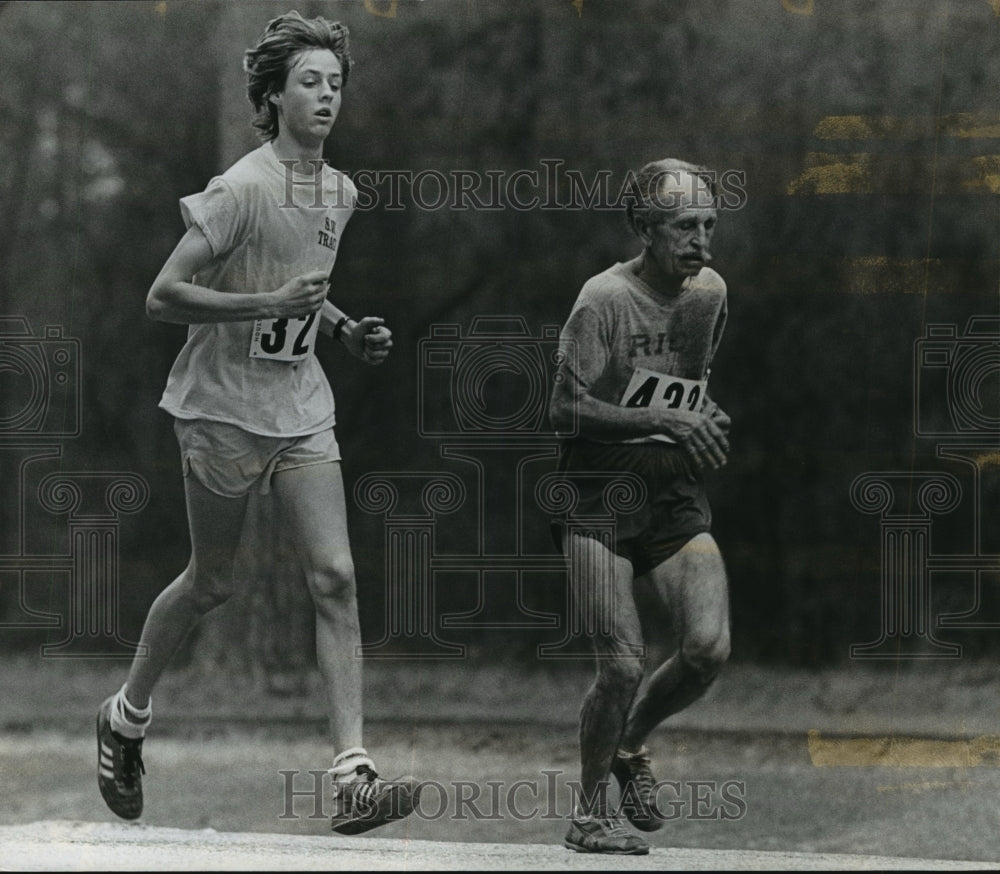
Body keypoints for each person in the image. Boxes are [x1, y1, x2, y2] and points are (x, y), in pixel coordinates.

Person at [96, 11, 419, 836]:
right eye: (308, 82)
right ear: (273, 97)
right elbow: (162, 295)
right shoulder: (240, 188)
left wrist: (343, 330)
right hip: (219, 412)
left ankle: (352, 775)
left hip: (301, 406)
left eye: (335, 83)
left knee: (336, 577)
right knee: (213, 582)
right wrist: (264, 305)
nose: (326, 97)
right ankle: (126, 717)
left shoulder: (339, 192)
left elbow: (301, 280)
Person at [549, 159, 732, 855]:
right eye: (686, 227)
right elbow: (563, 409)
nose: (702, 243)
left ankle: (631, 742)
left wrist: (698, 419)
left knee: (708, 648)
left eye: (710, 225)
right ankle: (589, 816)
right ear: (645, 230)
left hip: (671, 486)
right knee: (622, 663)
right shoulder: (602, 300)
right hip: (595, 489)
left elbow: (686, 384)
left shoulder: (711, 294)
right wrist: (670, 421)